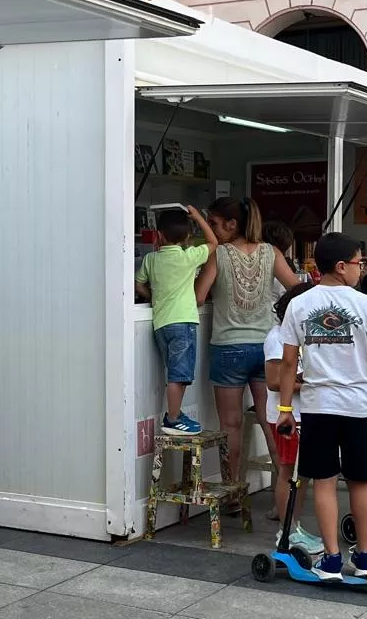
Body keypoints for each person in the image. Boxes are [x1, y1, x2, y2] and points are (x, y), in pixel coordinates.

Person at [276, 233, 367, 581]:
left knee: (325, 482)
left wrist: (286, 410)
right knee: (361, 481)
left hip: (318, 406)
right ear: (341, 266)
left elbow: (288, 363)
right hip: (359, 406)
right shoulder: (366, 305)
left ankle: (331, 558)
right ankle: (363, 558)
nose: (362, 269)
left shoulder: (299, 304)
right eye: (360, 262)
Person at [196, 197, 303, 481]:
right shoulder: (271, 252)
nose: (212, 228)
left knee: (231, 425)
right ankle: (283, 490)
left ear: (232, 224)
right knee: (271, 422)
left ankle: (232, 490)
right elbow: (297, 289)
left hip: (228, 349)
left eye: (214, 223)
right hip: (268, 349)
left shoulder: (218, 254)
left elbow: (198, 296)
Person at [135, 205, 218, 435]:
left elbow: (138, 284)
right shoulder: (189, 256)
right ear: (188, 237)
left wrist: (153, 296)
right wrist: (199, 217)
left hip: (161, 324)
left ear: (159, 235)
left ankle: (175, 413)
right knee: (179, 376)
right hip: (183, 322)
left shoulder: (151, 259)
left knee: (174, 372)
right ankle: (172, 418)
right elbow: (213, 243)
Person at [264, 281, 319, 552]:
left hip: (303, 414)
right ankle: (287, 530)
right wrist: (310, 384)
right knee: (288, 472)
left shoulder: (303, 336)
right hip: (287, 416)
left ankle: (294, 526)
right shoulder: (278, 337)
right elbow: (274, 381)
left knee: (301, 475)